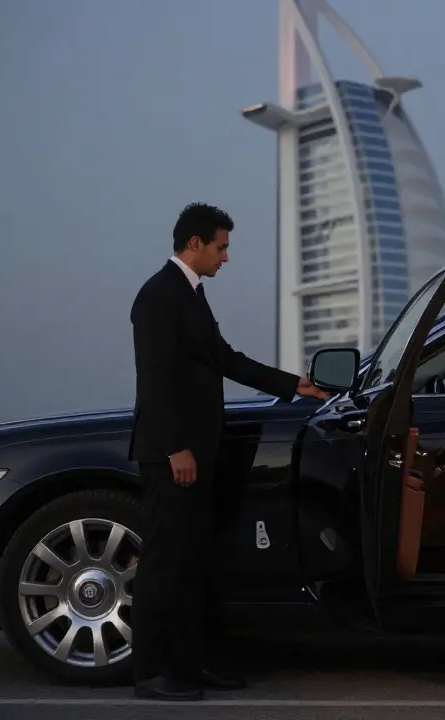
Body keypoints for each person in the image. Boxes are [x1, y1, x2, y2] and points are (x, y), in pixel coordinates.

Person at [127, 202, 328, 701]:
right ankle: (150, 671)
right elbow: (155, 379)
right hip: (173, 455)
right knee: (164, 563)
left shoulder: (192, 294)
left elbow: (224, 359)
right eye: (221, 247)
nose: (226, 257)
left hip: (200, 452)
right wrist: (176, 447)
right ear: (195, 243)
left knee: (195, 562)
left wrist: (293, 385)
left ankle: (192, 664)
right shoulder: (158, 296)